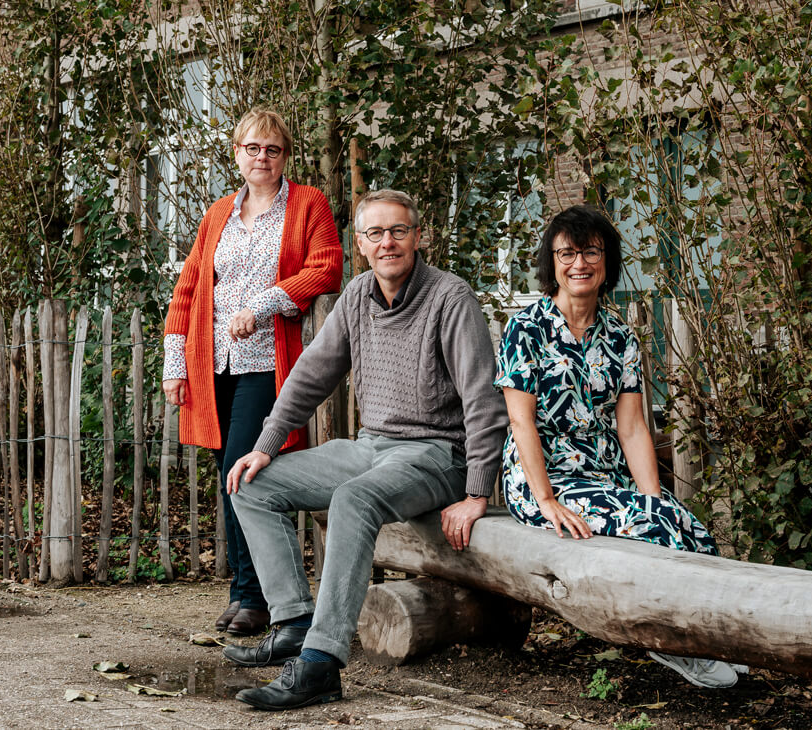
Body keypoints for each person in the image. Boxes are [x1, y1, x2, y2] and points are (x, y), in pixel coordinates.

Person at [220, 189, 508, 711]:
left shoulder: (450, 297)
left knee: (353, 499)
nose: (388, 242)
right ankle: (295, 623)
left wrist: (476, 491)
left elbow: (483, 400)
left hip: (437, 453)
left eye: (398, 230)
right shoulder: (356, 296)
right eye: (375, 233)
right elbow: (310, 375)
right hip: (371, 446)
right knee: (250, 483)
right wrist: (264, 446)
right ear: (361, 244)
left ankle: (320, 664)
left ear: (419, 236)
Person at [495, 205, 740, 689]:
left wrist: (652, 496)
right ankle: (670, 644)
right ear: (552, 261)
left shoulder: (621, 335)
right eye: (566, 253)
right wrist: (546, 502)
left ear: (606, 261)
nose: (578, 263)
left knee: (686, 525)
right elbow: (520, 421)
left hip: (603, 476)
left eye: (590, 251)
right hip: (546, 481)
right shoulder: (527, 328)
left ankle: (717, 637)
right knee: (658, 525)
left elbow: (631, 429)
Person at [161, 108, 343, 637]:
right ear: (236, 153)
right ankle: (247, 590)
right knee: (229, 476)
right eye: (252, 148)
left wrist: (262, 305)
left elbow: (326, 265)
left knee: (248, 471)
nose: (262, 157)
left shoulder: (308, 203)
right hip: (213, 361)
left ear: (285, 155)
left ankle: (260, 596)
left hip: (269, 360)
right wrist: (177, 367)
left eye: (273, 149)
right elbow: (189, 289)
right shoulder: (218, 212)